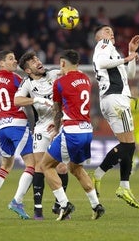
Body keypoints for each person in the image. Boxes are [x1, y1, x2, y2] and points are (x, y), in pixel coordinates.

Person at [40, 49, 105, 221]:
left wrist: (56, 128)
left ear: (62, 63)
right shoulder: (86, 79)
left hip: (72, 131)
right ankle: (96, 205)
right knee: (76, 168)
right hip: (86, 130)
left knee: (45, 165)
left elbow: (57, 109)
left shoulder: (59, 82)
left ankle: (63, 203)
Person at [91, 24, 139, 208]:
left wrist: (131, 54)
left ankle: (122, 186)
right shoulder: (103, 45)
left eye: (112, 31)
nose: (110, 33)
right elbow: (101, 64)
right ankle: (101, 176)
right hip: (116, 99)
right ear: (98, 37)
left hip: (112, 100)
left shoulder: (112, 51)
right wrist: (126, 58)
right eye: (106, 30)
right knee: (129, 145)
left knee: (127, 146)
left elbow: (131, 74)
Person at [0, 50, 36, 219]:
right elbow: (30, 92)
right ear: (1, 63)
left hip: (1, 126)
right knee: (32, 165)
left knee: (6, 165)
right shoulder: (16, 79)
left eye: (14, 58)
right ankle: (17, 201)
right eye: (11, 59)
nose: (15, 61)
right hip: (17, 124)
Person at [14, 51, 69, 220]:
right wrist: (36, 100)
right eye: (32, 61)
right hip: (41, 128)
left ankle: (60, 205)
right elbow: (17, 100)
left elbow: (70, 74)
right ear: (28, 70)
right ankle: (38, 209)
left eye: (37, 58)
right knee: (39, 166)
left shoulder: (53, 73)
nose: (37, 61)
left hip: (58, 126)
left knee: (61, 168)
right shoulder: (27, 83)